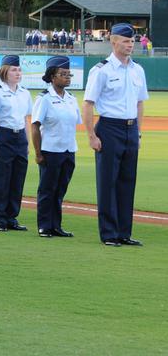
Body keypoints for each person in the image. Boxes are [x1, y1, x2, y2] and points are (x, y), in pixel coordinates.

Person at [83, 23, 148, 247]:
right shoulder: (102, 70)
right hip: (109, 128)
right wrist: (91, 135)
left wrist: (138, 132)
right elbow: (88, 104)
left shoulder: (138, 70)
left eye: (132, 41)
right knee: (108, 182)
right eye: (126, 41)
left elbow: (139, 103)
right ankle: (109, 233)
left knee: (127, 182)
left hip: (130, 129)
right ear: (113, 42)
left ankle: (124, 233)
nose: (130, 45)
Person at [31, 56, 81, 238]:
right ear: (52, 76)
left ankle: (56, 226)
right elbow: (35, 126)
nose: (67, 77)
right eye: (63, 74)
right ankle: (44, 226)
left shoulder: (71, 99)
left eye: (69, 74)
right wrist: (37, 153)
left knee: (60, 190)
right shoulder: (44, 99)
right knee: (47, 190)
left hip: (68, 150)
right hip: (50, 151)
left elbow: (74, 123)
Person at [0, 55, 32, 232]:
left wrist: (27, 143)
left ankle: (12, 217)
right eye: (14, 70)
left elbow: (26, 119)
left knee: (17, 179)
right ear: (5, 72)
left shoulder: (25, 93)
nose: (18, 73)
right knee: (1, 179)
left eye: (19, 70)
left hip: (19, 136)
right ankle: (0, 217)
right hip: (4, 136)